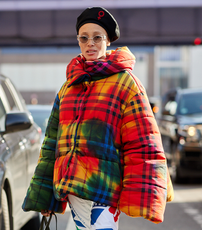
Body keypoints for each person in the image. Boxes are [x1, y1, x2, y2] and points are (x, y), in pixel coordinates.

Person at [22, 6, 174, 230]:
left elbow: (143, 141)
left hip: (105, 191)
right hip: (74, 190)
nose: (90, 43)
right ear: (78, 41)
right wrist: (46, 197)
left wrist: (146, 193)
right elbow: (52, 145)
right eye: (84, 38)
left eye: (97, 37)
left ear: (108, 41)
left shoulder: (126, 84)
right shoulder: (68, 87)